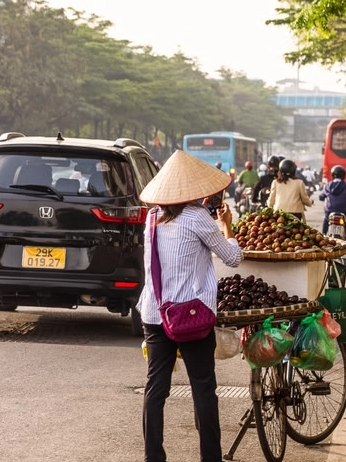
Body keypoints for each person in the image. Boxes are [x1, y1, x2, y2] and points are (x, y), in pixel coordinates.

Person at [136, 150, 242, 462]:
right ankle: (210, 457)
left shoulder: (152, 218)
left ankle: (152, 457)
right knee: (204, 389)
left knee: (156, 390)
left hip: (155, 314)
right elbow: (233, 257)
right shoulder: (197, 217)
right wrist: (227, 226)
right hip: (191, 317)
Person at [318, 165, 346, 234]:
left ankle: (323, 235)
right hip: (343, 210)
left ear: (332, 175)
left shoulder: (327, 186)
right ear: (344, 175)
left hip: (329, 211)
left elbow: (321, 197)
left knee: (326, 220)